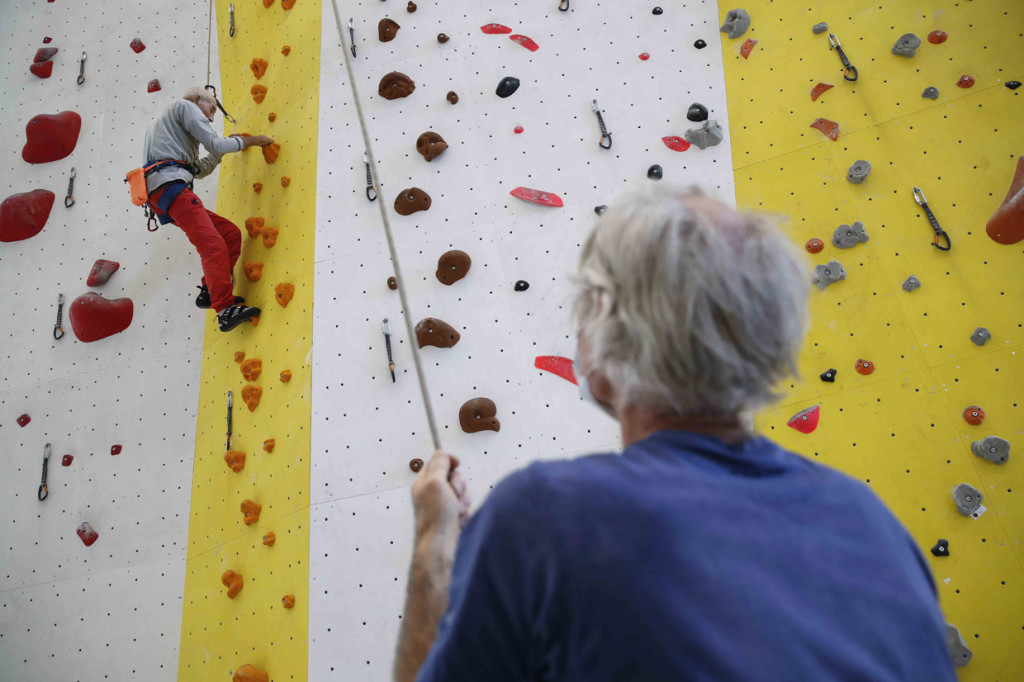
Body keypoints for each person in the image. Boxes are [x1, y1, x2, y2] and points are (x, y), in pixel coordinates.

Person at [394, 185, 956, 682]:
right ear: (775, 331)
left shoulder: (546, 516)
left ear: (603, 338)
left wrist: (432, 545)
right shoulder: (869, 521)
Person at [142, 87, 273, 332]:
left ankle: (210, 292)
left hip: (166, 193)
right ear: (195, 100)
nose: (211, 118)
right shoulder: (183, 107)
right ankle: (224, 310)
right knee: (212, 245)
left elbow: (198, 170)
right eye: (211, 109)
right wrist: (251, 141)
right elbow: (214, 141)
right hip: (171, 189)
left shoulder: (169, 135)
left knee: (229, 234)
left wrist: (220, 152)